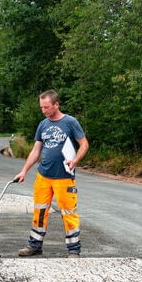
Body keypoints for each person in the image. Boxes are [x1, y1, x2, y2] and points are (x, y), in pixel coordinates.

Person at [14, 90, 89, 258]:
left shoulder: (70, 122)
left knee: (68, 212)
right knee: (39, 211)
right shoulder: (43, 124)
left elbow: (84, 144)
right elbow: (36, 150)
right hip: (43, 176)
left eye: (47, 107)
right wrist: (24, 171)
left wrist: (75, 160)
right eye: (41, 107)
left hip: (64, 177)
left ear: (56, 104)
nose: (44, 111)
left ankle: (74, 250)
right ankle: (34, 245)